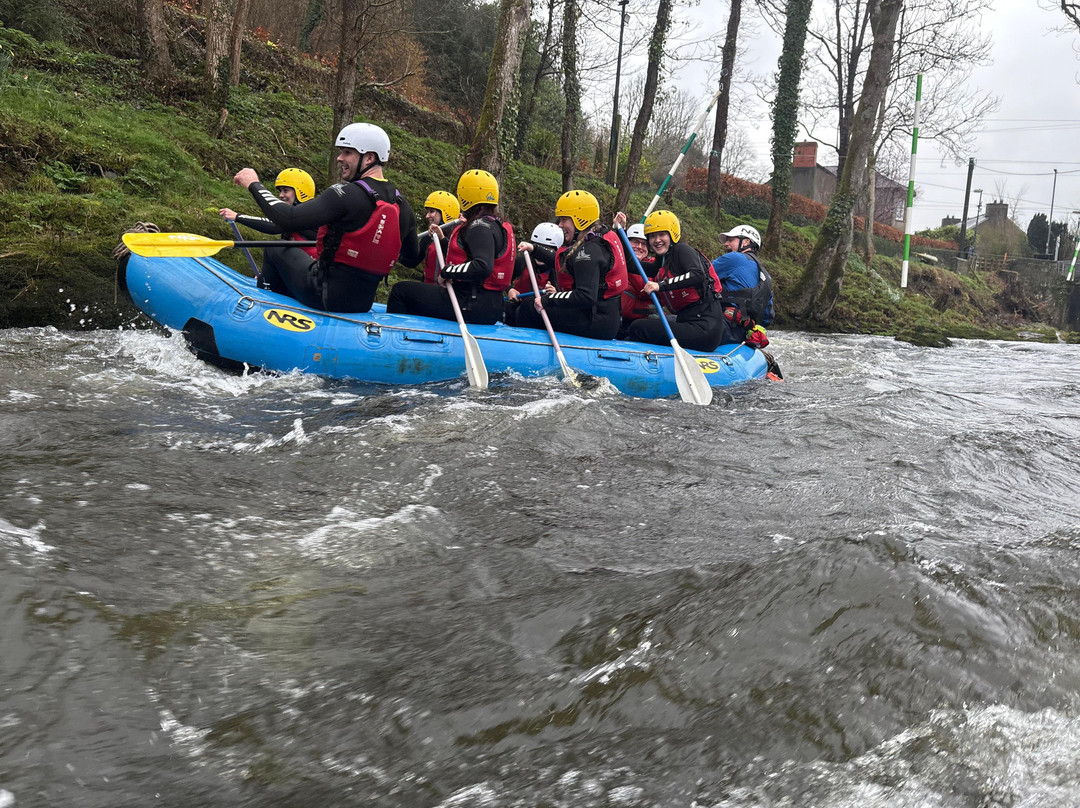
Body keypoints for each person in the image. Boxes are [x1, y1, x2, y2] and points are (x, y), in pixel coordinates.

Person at [231, 122, 422, 313]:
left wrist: (254, 184)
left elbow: (287, 218)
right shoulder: (404, 207)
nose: (339, 158)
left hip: (322, 295)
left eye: (347, 152)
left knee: (276, 250)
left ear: (369, 158)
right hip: (363, 303)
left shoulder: (345, 194)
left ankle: (265, 310)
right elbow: (411, 258)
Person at [386, 169, 515, 325]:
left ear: (465, 195)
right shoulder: (495, 225)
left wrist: (447, 272)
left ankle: (394, 340)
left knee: (400, 291)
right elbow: (468, 255)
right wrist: (442, 239)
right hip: (488, 304)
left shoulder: (479, 227)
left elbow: (483, 266)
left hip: (469, 304)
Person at [516, 190, 628, 341]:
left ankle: (529, 349)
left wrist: (549, 299)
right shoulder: (598, 238)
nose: (560, 225)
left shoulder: (589, 250)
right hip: (603, 318)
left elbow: (585, 296)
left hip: (596, 321)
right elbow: (565, 261)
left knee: (528, 307)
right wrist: (535, 249)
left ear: (579, 219)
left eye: (564, 220)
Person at [623, 209, 731, 353]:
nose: (657, 240)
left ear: (672, 234)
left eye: (662, 234)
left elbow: (697, 274)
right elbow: (632, 265)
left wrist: (660, 286)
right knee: (637, 326)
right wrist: (620, 231)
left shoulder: (682, 250)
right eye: (652, 236)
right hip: (686, 322)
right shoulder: (663, 261)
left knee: (638, 327)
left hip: (704, 328)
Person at [220, 168, 319, 291]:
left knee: (274, 247)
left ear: (300, 192)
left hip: (314, 280)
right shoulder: (292, 221)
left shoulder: (312, 216)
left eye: (286, 191)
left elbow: (274, 226)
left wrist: (237, 217)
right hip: (301, 274)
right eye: (280, 191)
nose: (281, 195)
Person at [505, 221, 566, 326]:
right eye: (539, 246)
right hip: (519, 309)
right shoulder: (523, 261)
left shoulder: (560, 269)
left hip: (542, 313)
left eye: (547, 249)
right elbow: (502, 278)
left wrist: (556, 294)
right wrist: (509, 289)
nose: (540, 254)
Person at [712, 224, 774, 326]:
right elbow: (767, 317)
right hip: (746, 332)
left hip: (723, 325)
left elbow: (700, 271)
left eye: (731, 240)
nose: (726, 244)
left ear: (746, 242)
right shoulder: (764, 274)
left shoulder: (735, 258)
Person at [616, 220, 659, 338]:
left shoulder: (652, 266)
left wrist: (628, 264)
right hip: (619, 320)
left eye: (644, 244)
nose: (639, 247)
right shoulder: (617, 262)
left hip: (643, 322)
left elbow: (643, 289)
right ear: (626, 243)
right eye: (635, 242)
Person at [417, 190, 461, 284]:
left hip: (447, 290)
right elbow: (413, 260)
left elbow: (455, 260)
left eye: (431, 211)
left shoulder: (459, 236)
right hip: (428, 286)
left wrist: (442, 238)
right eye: (427, 212)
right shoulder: (428, 236)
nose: (427, 216)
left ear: (446, 213)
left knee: (400, 290)